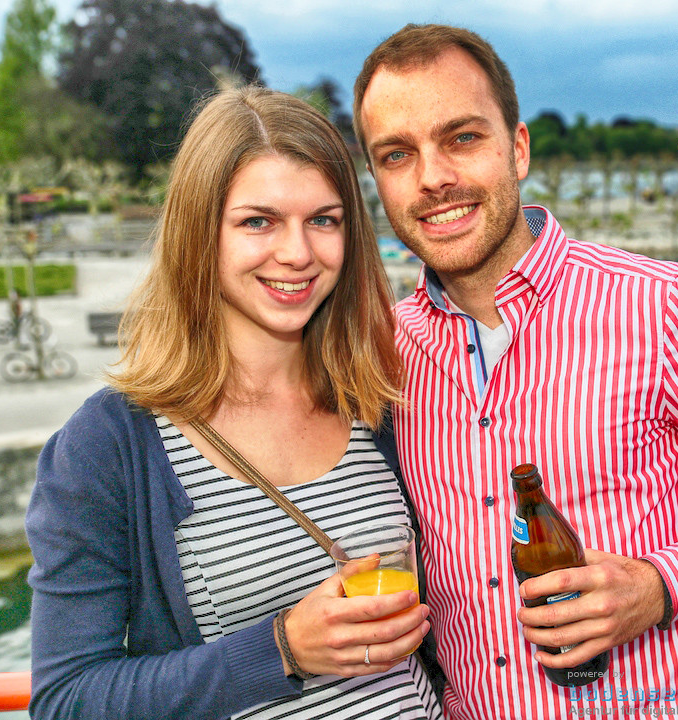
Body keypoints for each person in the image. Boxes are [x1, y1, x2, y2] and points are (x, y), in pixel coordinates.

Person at [353, 24, 678, 719]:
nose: (434, 177)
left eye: (462, 138)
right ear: (376, 179)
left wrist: (660, 585)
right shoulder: (388, 351)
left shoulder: (662, 306)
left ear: (518, 148)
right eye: (398, 154)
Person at [25, 86, 443, 720]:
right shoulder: (108, 445)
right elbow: (67, 701)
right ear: (201, 232)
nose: (298, 253)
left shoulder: (377, 399)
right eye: (259, 221)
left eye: (323, 220)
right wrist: (282, 650)